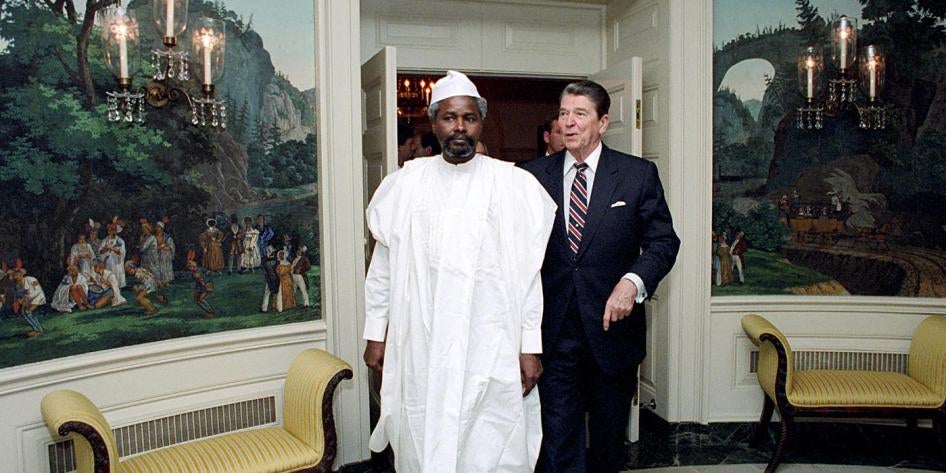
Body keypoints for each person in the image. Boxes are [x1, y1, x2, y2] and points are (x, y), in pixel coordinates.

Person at [363, 70, 556, 473]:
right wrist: (375, 334)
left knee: (489, 435)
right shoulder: (406, 184)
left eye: (469, 118)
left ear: (480, 122)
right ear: (433, 122)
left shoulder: (511, 185)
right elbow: (382, 269)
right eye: (450, 118)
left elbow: (528, 276)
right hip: (422, 340)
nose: (460, 127)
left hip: (490, 339)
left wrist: (529, 346)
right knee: (424, 428)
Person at [519, 80, 679, 473]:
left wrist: (632, 282)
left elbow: (663, 242)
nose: (569, 123)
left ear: (603, 122)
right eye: (562, 113)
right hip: (553, 335)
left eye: (580, 114)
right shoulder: (529, 177)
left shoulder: (637, 175)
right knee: (557, 441)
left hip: (613, 336)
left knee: (608, 443)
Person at [99, 221, 127, 288]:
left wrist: (112, 248)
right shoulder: (105, 240)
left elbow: (122, 252)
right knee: (108, 281)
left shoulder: (120, 240)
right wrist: (106, 249)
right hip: (108, 263)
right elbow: (100, 252)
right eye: (110, 230)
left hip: (117, 263)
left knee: (117, 280)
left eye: (113, 230)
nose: (112, 231)